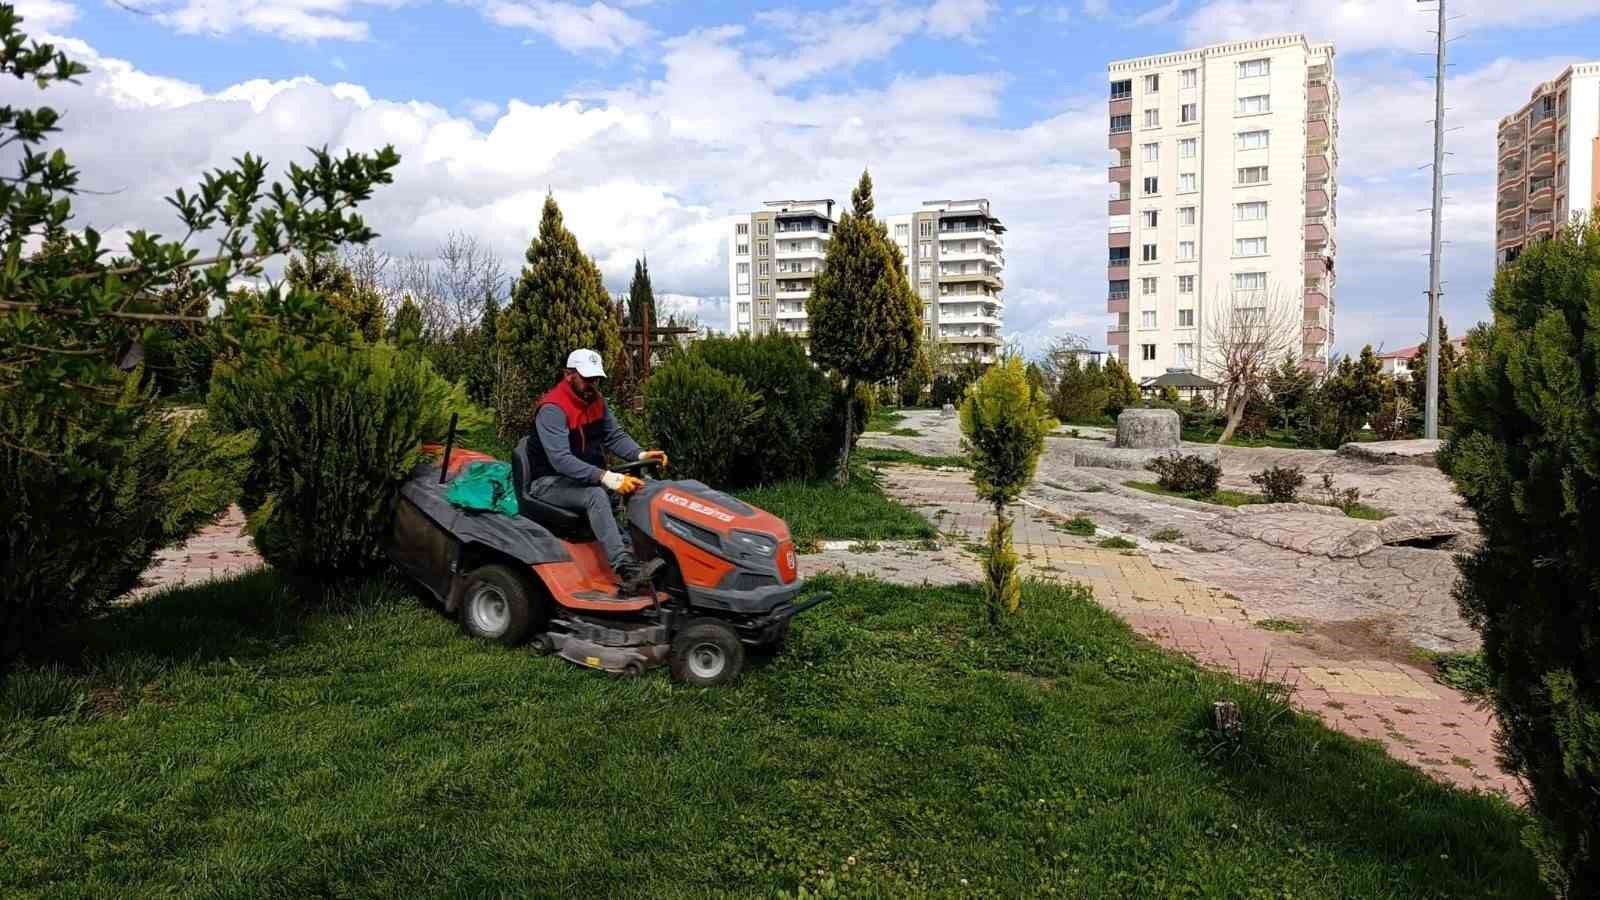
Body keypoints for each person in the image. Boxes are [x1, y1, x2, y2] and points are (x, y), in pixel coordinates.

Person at [523, 348, 670, 593]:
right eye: (587, 378)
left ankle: (640, 551)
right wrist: (605, 477)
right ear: (568, 374)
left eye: (596, 378)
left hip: (578, 478)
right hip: (547, 483)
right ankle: (626, 569)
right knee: (597, 495)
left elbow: (614, 436)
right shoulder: (553, 409)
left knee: (639, 487)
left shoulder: (596, 402)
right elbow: (560, 460)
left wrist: (640, 455)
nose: (593, 384)